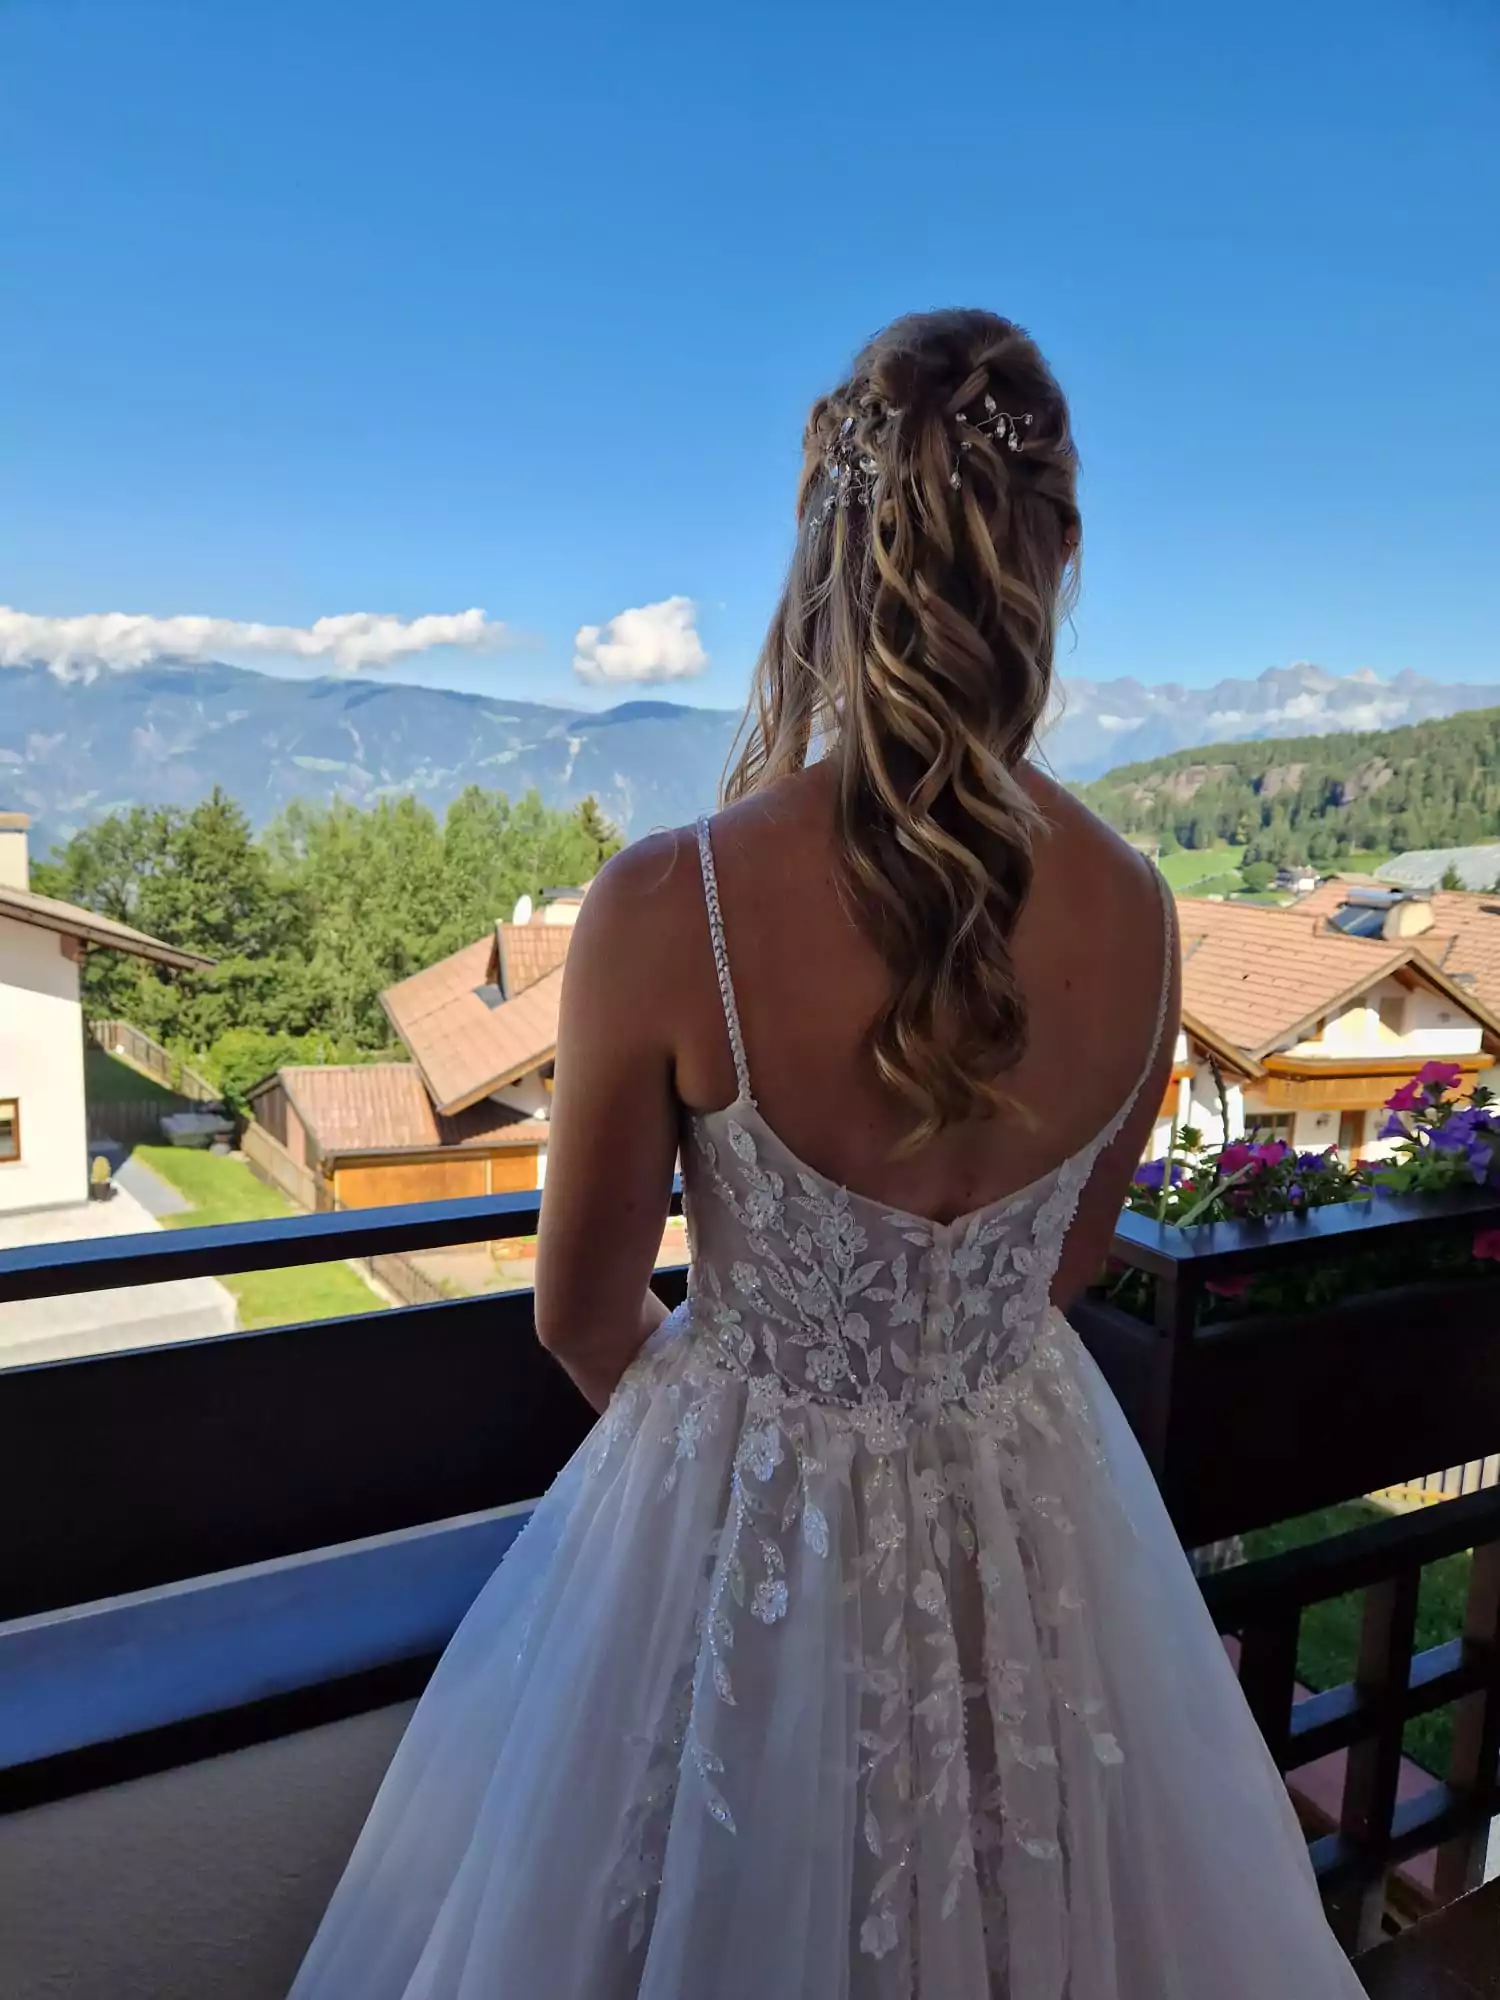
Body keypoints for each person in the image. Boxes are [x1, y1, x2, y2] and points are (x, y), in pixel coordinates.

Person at [289, 310, 1365, 1998]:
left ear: (823, 558)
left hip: (746, 1536)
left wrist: (754, 1461)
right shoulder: (1149, 920)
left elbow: (579, 1315)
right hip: (1030, 1537)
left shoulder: (672, 900)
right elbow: (1062, 1271)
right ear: (1059, 557)